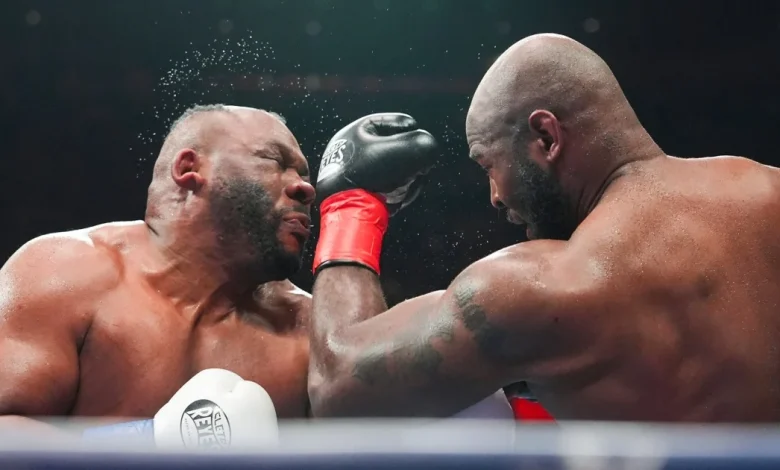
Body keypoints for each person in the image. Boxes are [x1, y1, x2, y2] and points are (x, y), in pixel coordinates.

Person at [307, 33, 780, 422]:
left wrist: (351, 207)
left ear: (546, 137)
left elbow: (337, 387)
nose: (493, 196)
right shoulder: (768, 191)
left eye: (489, 164)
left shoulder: (538, 288)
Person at [0, 105, 316, 432]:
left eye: (305, 174)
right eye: (273, 162)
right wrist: (141, 445)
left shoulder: (307, 328)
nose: (305, 188)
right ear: (188, 168)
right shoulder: (67, 273)